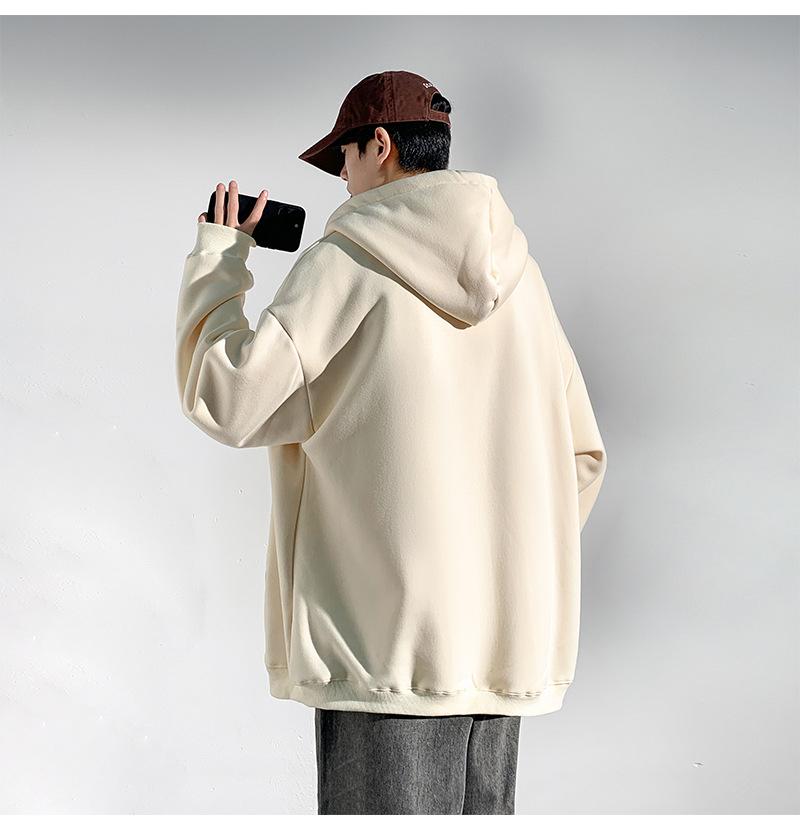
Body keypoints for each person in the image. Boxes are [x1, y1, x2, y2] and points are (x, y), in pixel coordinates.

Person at [175, 70, 607, 815]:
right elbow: (581, 458)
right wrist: (505, 568)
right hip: (500, 662)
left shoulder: (343, 263)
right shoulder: (523, 282)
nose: (343, 183)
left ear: (379, 145)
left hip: (383, 654)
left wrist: (220, 261)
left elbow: (229, 399)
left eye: (343, 159)